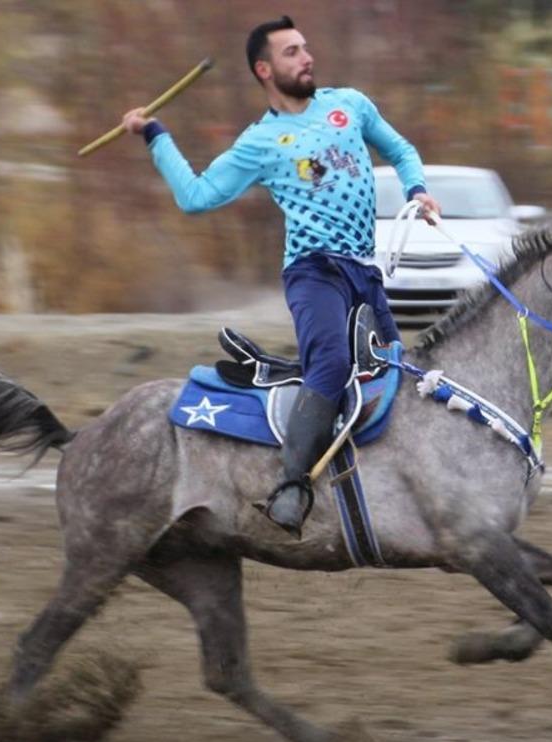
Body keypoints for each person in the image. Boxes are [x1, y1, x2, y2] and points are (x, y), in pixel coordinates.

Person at [122, 15, 440, 537]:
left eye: (306, 47)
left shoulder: (350, 105)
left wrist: (417, 188)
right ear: (265, 70)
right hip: (314, 274)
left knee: (393, 376)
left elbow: (402, 151)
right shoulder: (260, 143)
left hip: (365, 272)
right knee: (333, 364)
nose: (307, 57)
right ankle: (291, 486)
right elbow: (196, 197)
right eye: (292, 52)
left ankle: (386, 489)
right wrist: (155, 135)